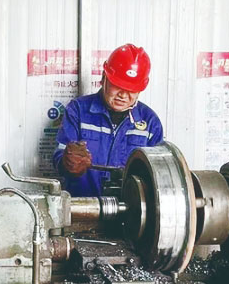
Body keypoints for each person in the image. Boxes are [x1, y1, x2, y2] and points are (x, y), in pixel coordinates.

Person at [53, 44, 163, 197]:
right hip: (82, 207)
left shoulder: (150, 123)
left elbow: (159, 175)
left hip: (132, 210)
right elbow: (59, 156)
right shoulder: (78, 111)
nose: (123, 95)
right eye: (117, 86)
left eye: (131, 89)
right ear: (104, 78)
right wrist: (68, 162)